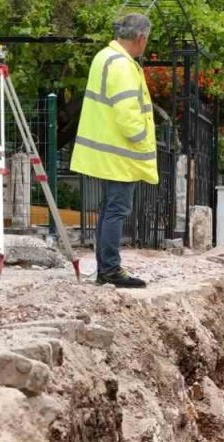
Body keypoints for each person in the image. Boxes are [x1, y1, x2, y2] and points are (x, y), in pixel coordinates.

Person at [71, 13, 156, 288]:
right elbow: (127, 112)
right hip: (121, 153)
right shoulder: (122, 64)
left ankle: (106, 269)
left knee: (109, 210)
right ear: (140, 38)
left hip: (109, 151)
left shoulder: (104, 57)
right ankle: (110, 270)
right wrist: (142, 139)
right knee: (117, 210)